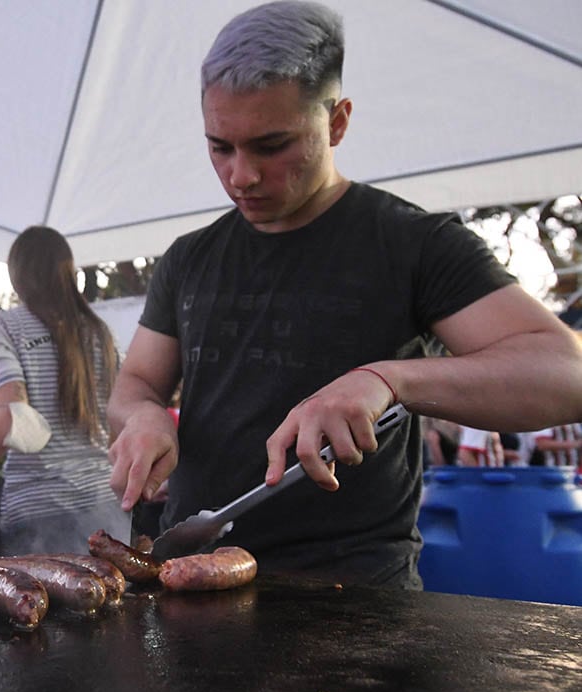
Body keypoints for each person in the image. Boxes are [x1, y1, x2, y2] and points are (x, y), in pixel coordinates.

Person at [106, 1, 582, 589]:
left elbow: (566, 373)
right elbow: (136, 384)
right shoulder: (189, 256)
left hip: (351, 593)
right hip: (192, 572)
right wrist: (145, 416)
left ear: (336, 122)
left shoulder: (415, 242)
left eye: (272, 145)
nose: (241, 176)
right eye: (220, 147)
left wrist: (391, 380)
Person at [0, 226, 131, 554]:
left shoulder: (2, 326)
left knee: (41, 606)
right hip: (108, 510)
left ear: (17, 276)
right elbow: (120, 426)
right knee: (115, 602)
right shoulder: (101, 333)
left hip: (40, 516)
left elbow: (13, 420)